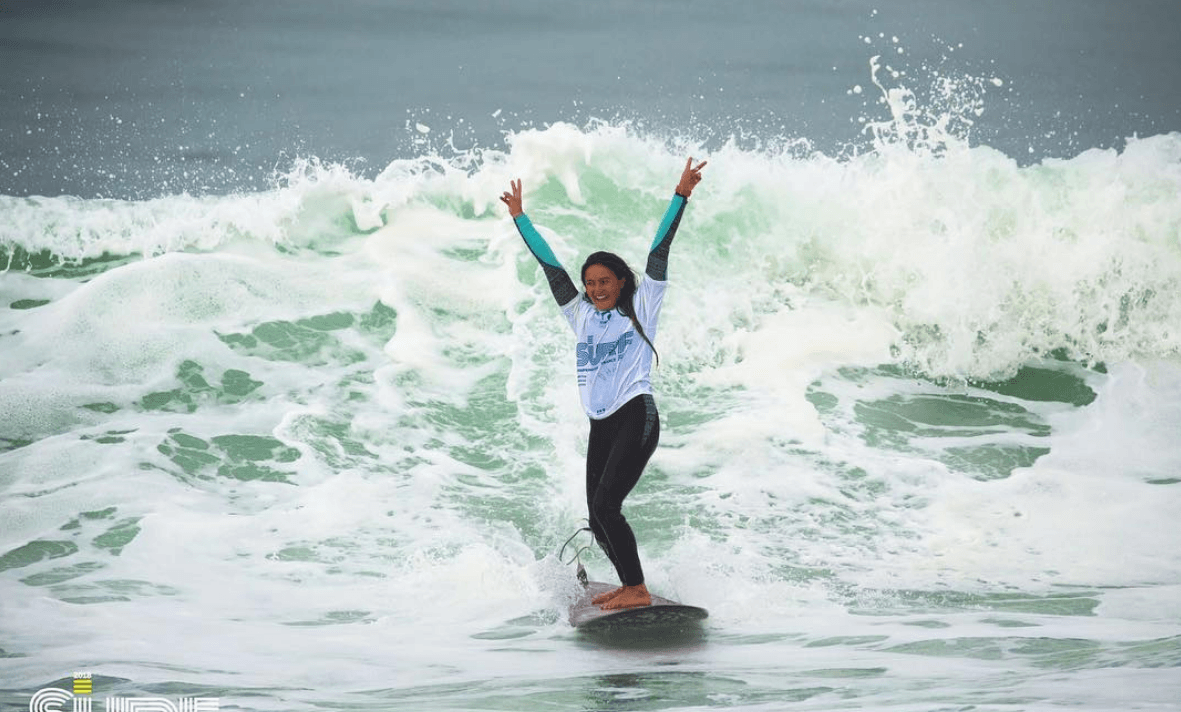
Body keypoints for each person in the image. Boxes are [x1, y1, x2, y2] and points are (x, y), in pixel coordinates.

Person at [500, 158, 706, 610]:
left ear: (620, 282)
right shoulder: (581, 316)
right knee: (597, 518)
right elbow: (551, 267)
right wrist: (520, 219)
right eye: (590, 283)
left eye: (604, 281)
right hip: (602, 424)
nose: (595, 289)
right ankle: (630, 585)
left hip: (636, 413)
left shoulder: (643, 305)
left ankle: (636, 587)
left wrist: (680, 195)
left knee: (608, 504)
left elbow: (658, 252)